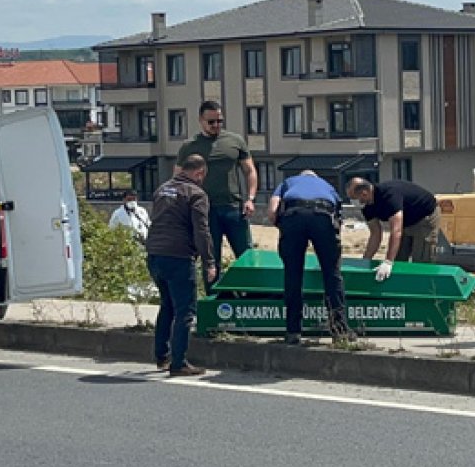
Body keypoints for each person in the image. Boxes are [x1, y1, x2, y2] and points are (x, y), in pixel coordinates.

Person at [144, 154, 216, 376]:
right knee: (185, 310)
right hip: (178, 255)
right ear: (199, 173)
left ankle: (161, 356)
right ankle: (179, 363)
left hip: (154, 253)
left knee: (167, 305)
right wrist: (209, 262)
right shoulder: (196, 194)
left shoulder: (162, 189)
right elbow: (201, 231)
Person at [268, 170, 353, 345]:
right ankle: (340, 331)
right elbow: (338, 218)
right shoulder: (328, 186)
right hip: (322, 215)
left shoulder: (288, 181)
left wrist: (283, 227)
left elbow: (272, 210)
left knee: (293, 274)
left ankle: (293, 331)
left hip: (293, 215)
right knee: (332, 274)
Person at [177, 101, 257, 285]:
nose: (216, 126)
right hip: (204, 211)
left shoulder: (235, 141)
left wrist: (250, 198)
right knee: (211, 260)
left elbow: (250, 170)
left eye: (219, 121)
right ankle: (215, 301)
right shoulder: (189, 146)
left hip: (234, 208)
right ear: (201, 121)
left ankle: (252, 294)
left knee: (246, 255)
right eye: (211, 122)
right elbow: (178, 179)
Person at [345, 178, 440, 281]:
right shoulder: (367, 207)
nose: (353, 202)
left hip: (424, 217)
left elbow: (396, 230)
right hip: (405, 221)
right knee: (399, 259)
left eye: (353, 198)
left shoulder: (389, 195)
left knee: (421, 260)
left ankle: (427, 290)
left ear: (364, 193)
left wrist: (388, 261)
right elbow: (375, 234)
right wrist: (365, 261)